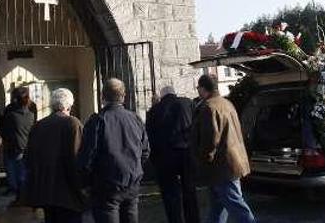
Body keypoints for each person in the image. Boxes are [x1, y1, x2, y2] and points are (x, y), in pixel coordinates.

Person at [78, 78, 149, 223]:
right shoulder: (135, 118)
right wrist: (135, 168)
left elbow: (88, 156)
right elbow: (145, 150)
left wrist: (85, 182)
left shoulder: (98, 121)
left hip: (107, 184)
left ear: (102, 97)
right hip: (131, 182)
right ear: (123, 96)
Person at [192, 74, 255, 223]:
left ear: (203, 88)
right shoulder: (227, 103)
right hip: (232, 162)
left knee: (236, 206)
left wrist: (203, 160)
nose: (197, 91)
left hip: (222, 166)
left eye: (198, 88)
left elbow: (210, 140)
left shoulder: (209, 107)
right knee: (217, 207)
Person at [25, 88, 86, 223]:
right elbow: (78, 158)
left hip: (46, 191)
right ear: (70, 105)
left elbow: (29, 158)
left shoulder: (39, 125)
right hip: (68, 193)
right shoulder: (73, 123)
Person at [146, 86, 199, 223]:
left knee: (170, 195)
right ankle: (193, 219)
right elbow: (196, 126)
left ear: (162, 96)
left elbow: (150, 137)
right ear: (174, 93)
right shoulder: (188, 103)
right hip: (186, 153)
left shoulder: (153, 111)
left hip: (165, 157)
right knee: (189, 191)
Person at [0, 86, 36, 201]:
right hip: (26, 145)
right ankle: (22, 194)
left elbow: (3, 128)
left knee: (14, 172)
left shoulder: (11, 113)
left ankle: (17, 194)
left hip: (13, 146)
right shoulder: (31, 111)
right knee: (22, 173)